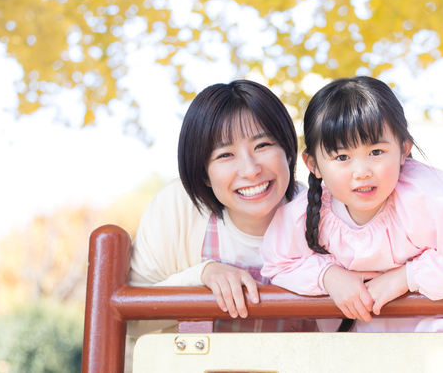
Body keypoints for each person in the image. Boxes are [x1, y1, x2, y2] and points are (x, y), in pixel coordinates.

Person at [260, 76, 443, 333]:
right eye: (342, 157)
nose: (362, 172)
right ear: (313, 164)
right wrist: (328, 276)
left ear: (404, 148)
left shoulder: (428, 197)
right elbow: (276, 263)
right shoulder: (304, 214)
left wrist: (407, 278)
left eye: (376, 152)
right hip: (367, 356)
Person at [129, 79, 315, 336]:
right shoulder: (178, 208)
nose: (250, 171)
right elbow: (130, 321)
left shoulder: (322, 216)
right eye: (225, 155)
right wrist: (201, 276)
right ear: (204, 173)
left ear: (288, 151)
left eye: (262, 145)